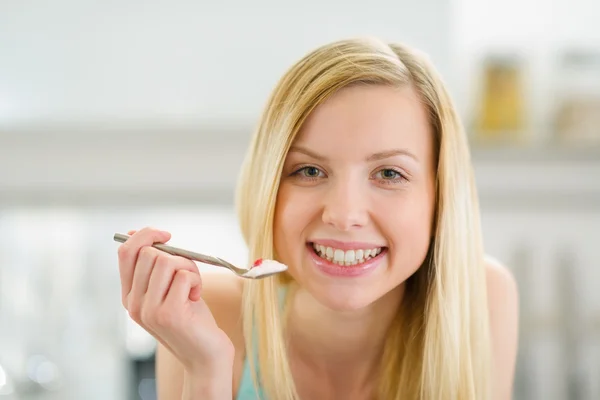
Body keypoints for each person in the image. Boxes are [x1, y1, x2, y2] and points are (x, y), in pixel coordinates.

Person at [116, 37, 519, 400]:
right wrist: (206, 373)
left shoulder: (481, 297)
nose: (344, 215)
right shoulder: (209, 316)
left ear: (440, 194)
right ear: (268, 184)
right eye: (309, 171)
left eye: (389, 174)